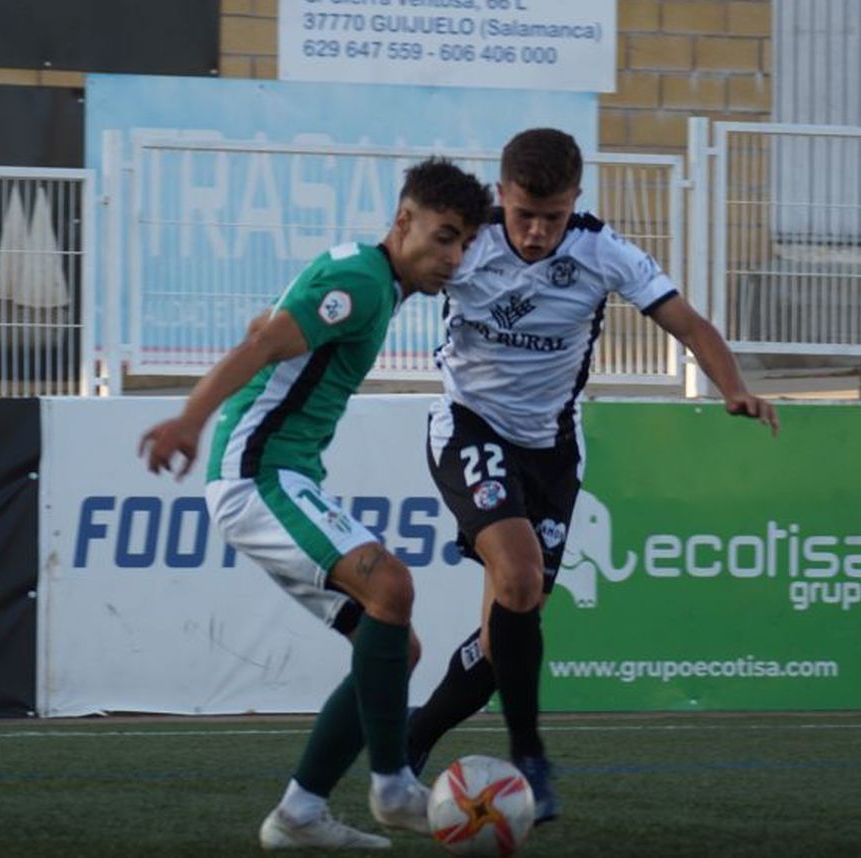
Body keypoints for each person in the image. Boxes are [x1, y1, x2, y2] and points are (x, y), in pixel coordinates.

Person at [407, 128, 780, 821]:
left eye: (553, 215)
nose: (538, 231)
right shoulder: (466, 245)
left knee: (505, 634)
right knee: (517, 576)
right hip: (469, 426)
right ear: (502, 197)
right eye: (524, 214)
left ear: (576, 199)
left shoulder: (602, 251)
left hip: (551, 450)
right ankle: (529, 757)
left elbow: (690, 324)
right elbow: (388, 286)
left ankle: (412, 738)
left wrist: (733, 386)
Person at [140, 157, 493, 851]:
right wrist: (189, 419)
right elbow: (264, 339)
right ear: (404, 221)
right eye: (443, 237)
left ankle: (299, 813)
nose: (452, 258)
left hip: (281, 471)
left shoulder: (365, 275)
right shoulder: (364, 283)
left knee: (393, 643)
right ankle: (393, 786)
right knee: (391, 584)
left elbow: (271, 323)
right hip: (258, 472)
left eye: (463, 244)